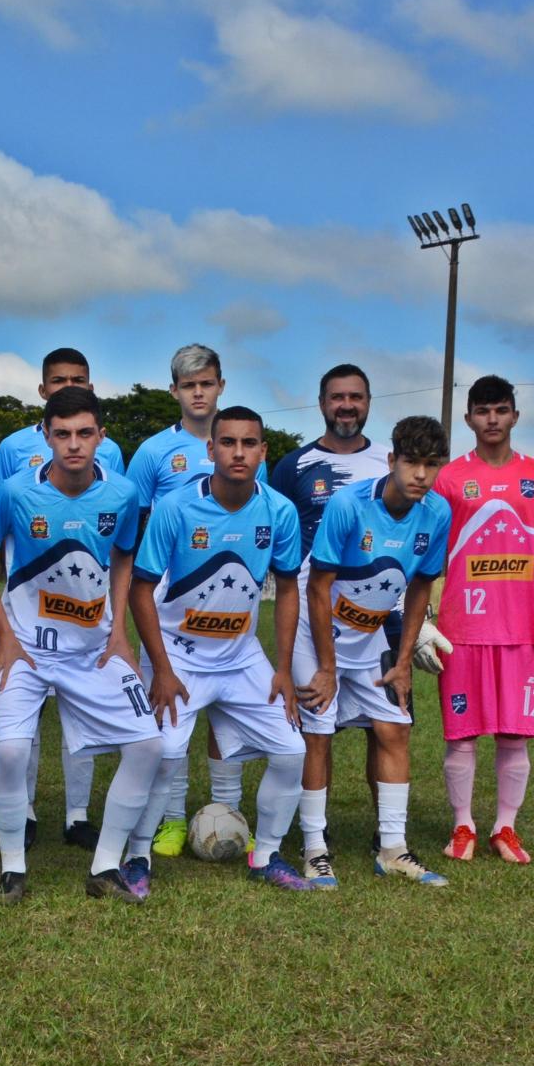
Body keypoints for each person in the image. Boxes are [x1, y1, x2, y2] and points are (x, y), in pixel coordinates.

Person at [0, 387, 161, 904]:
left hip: (94, 650)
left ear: (101, 436)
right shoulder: (16, 493)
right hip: (28, 651)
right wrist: (6, 637)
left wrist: (120, 630)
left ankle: (104, 867)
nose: (74, 445)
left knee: (148, 745)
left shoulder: (122, 495)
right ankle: (13, 868)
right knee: (11, 752)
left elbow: (124, 556)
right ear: (47, 436)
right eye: (62, 434)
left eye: (84, 433)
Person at [129, 406, 313, 893]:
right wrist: (162, 670)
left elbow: (289, 588)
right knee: (164, 753)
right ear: (210, 450)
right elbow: (140, 589)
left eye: (248, 443)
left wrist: (284, 670)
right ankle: (137, 854)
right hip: (179, 654)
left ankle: (266, 856)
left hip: (241, 655)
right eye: (227, 442)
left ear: (262, 451)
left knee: (293, 750)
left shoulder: (279, 511)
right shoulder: (176, 508)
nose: (238, 452)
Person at [418, 375, 534, 865]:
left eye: (500, 410)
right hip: (460, 630)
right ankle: (462, 825)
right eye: (482, 411)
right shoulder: (447, 479)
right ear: (468, 419)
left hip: (521, 630)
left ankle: (505, 828)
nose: (491, 419)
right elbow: (431, 553)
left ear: (514, 416)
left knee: (514, 734)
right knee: (460, 734)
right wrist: (423, 618)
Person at [295, 415, 452, 887]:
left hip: (372, 635)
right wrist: (326, 668)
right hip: (316, 629)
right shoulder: (348, 504)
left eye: (430, 465)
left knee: (394, 729)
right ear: (392, 460)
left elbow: (422, 586)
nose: (420, 475)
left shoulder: (438, 513)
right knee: (318, 731)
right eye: (411, 463)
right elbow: (318, 588)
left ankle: (393, 849)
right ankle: (315, 847)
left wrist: (403, 662)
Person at [125, 343, 263, 857]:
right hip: (168, 595)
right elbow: (135, 520)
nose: (199, 392)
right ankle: (173, 820)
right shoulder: (153, 452)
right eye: (189, 385)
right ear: (175, 392)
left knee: (226, 711)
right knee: (172, 708)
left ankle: (227, 812)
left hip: (230, 597)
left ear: (221, 385)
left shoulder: (246, 443)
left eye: (207, 383)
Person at [0, 346, 126, 852]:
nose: (74, 443)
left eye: (80, 379)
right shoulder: (10, 450)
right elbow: (0, 529)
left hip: (88, 609)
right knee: (25, 719)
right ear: (42, 389)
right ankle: (23, 811)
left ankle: (76, 814)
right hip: (31, 604)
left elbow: (115, 533)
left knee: (80, 716)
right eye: (60, 379)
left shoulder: (108, 454)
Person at [269, 364, 396, 876]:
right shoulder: (294, 465)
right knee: (315, 729)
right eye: (337, 397)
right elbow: (278, 532)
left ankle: (385, 834)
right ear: (321, 403)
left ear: (368, 402)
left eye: (356, 397)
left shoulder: (388, 463)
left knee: (385, 726)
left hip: (379, 616)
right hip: (311, 612)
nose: (347, 405)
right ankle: (314, 840)